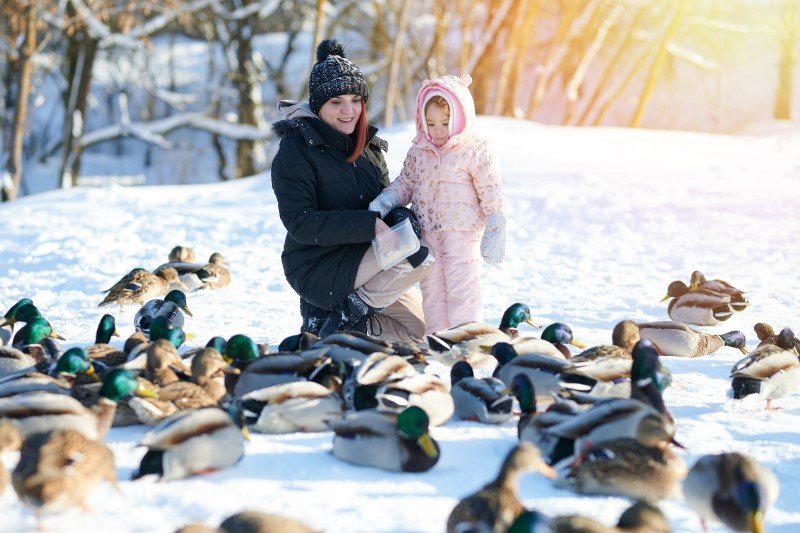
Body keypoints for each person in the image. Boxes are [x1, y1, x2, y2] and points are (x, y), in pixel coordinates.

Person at [270, 39, 433, 344]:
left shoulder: (369, 148)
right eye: (336, 102)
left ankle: (344, 327)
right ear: (319, 105)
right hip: (317, 264)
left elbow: (386, 200)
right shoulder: (296, 151)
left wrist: (399, 216)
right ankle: (341, 314)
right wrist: (369, 225)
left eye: (355, 100)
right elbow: (301, 223)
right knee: (421, 256)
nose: (349, 111)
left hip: (365, 257)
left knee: (419, 334)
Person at [369, 74, 506, 334]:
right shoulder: (419, 151)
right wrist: (386, 201)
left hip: (461, 233)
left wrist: (496, 224)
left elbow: (490, 189)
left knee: (461, 288)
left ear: (461, 118)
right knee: (431, 289)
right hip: (428, 232)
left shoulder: (474, 150)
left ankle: (465, 339)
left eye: (445, 122)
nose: (438, 130)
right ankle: (438, 340)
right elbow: (406, 183)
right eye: (431, 123)